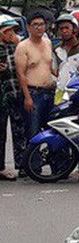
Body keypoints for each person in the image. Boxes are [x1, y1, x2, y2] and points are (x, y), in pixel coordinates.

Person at [15, 12, 56, 143]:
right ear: (28, 27)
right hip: (33, 93)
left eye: (42, 24)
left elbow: (51, 67)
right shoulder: (23, 46)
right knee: (33, 132)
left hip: (49, 92)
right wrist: (27, 97)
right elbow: (20, 74)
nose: (39, 28)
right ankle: (34, 163)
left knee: (52, 130)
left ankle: (53, 162)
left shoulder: (48, 42)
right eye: (35, 25)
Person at [0, 16, 25, 181]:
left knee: (20, 131)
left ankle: (23, 166)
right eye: (9, 31)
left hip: (17, 93)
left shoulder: (18, 47)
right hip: (2, 96)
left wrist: (18, 45)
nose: (12, 34)